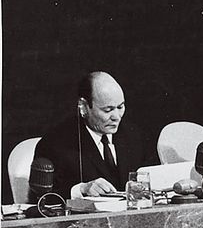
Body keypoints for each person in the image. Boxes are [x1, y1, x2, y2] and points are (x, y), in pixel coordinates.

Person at [33, 71, 149, 199]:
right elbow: (42, 199)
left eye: (120, 107)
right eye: (107, 110)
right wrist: (81, 189)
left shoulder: (134, 135)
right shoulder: (55, 144)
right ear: (83, 107)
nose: (116, 117)